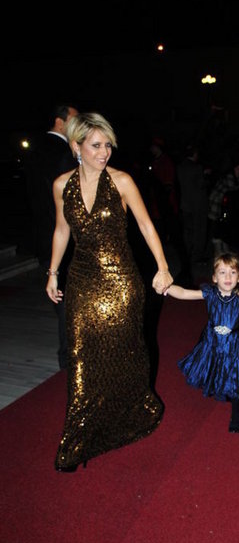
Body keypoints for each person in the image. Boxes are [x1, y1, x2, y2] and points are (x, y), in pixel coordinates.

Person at [46, 112, 173, 472]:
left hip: (121, 282)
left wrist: (163, 267)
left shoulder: (121, 181)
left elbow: (146, 225)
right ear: (76, 146)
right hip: (82, 281)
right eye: (96, 145)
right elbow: (61, 230)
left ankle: (130, 416)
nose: (104, 153)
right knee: (80, 356)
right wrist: (52, 273)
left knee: (125, 353)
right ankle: (77, 438)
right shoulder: (61, 185)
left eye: (108, 145)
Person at [165, 252, 239, 432]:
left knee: (237, 378)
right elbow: (183, 293)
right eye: (222, 272)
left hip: (237, 345)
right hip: (213, 343)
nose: (228, 277)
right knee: (216, 370)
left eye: (233, 272)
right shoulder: (210, 294)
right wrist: (166, 287)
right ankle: (221, 388)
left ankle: (236, 412)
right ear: (214, 277)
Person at [24, 103, 79, 369]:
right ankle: (71, 361)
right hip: (65, 240)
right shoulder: (64, 155)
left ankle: (69, 361)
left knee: (64, 303)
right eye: (75, 119)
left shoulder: (34, 151)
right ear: (60, 122)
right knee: (70, 306)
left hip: (44, 237)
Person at [176, 143, 210, 268]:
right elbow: (201, 184)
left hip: (185, 204)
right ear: (195, 154)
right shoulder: (197, 168)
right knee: (199, 231)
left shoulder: (180, 167)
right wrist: (206, 176)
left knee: (188, 231)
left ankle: (187, 255)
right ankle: (197, 257)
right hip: (198, 205)